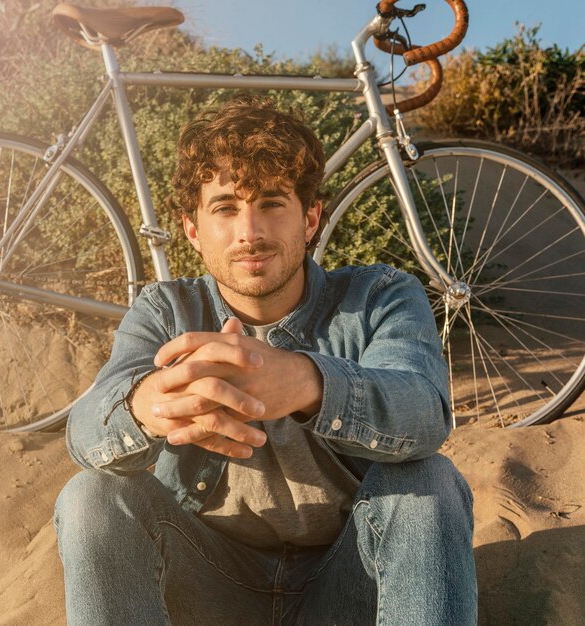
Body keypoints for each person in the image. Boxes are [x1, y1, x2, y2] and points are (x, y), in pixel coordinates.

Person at [54, 96, 477, 625]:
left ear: (311, 218)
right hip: (207, 586)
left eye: (273, 202)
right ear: (192, 229)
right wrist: (142, 408)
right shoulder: (165, 311)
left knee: (429, 483)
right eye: (226, 207)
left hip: (351, 585)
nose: (249, 231)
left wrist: (308, 382)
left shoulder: (380, 297)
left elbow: (424, 414)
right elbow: (85, 433)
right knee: (91, 497)